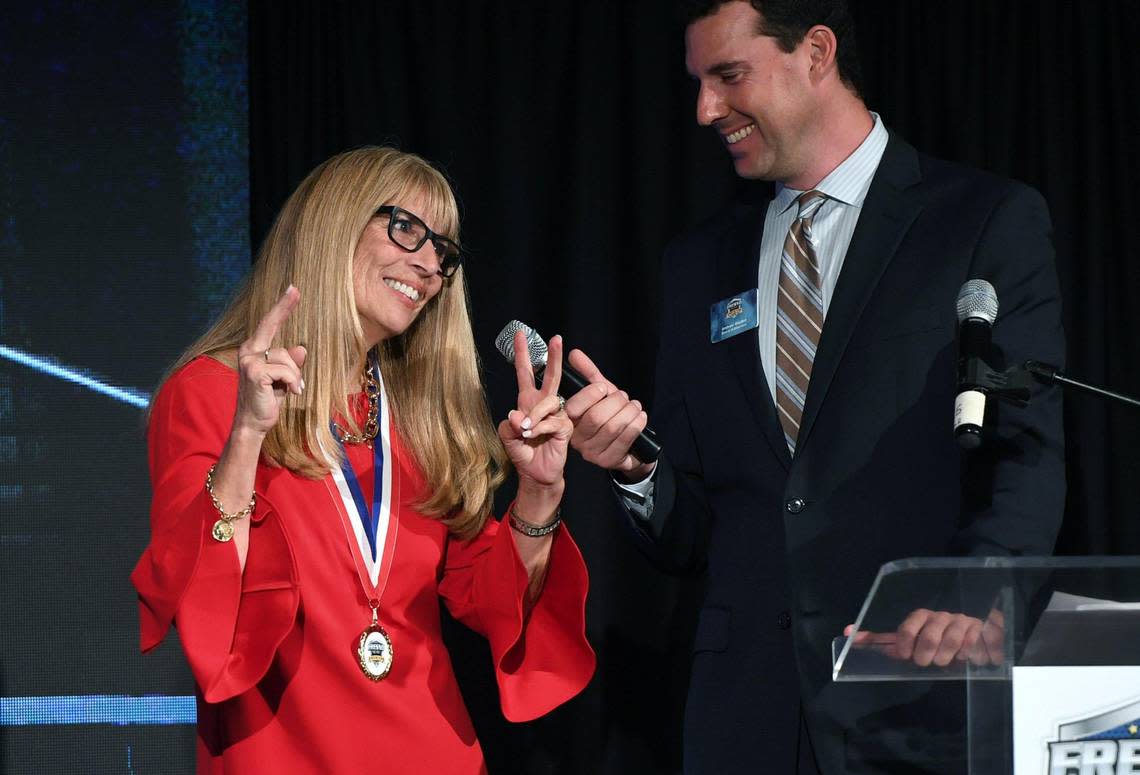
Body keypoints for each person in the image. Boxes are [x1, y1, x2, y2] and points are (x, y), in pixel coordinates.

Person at [563, 1, 1065, 773]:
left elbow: (1026, 452)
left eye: (729, 76)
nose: (706, 109)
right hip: (745, 720)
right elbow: (695, 528)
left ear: (816, 52)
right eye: (699, 83)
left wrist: (978, 590)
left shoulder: (980, 222)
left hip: (918, 703)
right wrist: (637, 467)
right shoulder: (698, 265)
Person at [131, 147, 595, 773]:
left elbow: (488, 603)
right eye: (407, 229)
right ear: (334, 223)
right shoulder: (215, 393)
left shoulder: (424, 422)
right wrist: (246, 436)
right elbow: (202, 600)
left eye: (444, 253)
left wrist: (539, 493)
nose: (430, 265)